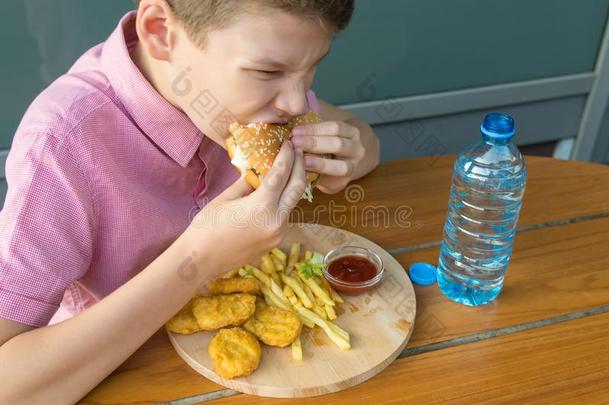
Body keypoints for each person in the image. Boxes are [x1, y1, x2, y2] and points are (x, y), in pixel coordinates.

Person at [0, 0, 379, 401]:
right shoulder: (60, 146)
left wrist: (344, 159)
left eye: (312, 66)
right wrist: (198, 260)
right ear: (161, 31)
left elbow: (362, 138)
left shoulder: (267, 91)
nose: (299, 102)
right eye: (268, 71)